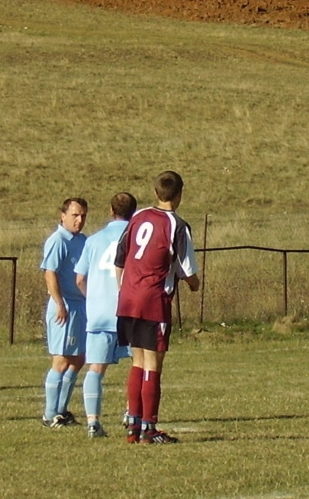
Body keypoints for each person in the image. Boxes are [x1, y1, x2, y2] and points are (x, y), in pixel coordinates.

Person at [115, 171, 200, 444]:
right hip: (153, 301)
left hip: (128, 298)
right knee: (153, 363)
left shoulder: (137, 217)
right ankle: (149, 429)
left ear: (155, 193)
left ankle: (133, 426)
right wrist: (195, 284)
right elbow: (189, 272)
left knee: (137, 360)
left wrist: (124, 290)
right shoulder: (177, 225)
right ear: (180, 194)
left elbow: (120, 258)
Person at [75, 192, 137, 439]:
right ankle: (131, 413)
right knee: (138, 364)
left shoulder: (94, 240)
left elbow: (79, 278)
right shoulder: (135, 237)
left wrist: (93, 297)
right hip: (129, 311)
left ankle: (93, 421)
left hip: (100, 313)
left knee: (95, 369)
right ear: (134, 212)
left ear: (111, 211)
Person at [40, 198, 89, 428]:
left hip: (81, 306)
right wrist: (59, 303)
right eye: (75, 215)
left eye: (83, 216)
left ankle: (61, 410)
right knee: (60, 360)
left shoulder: (83, 241)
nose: (79, 220)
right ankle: (50, 415)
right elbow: (50, 273)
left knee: (78, 359)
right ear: (63, 215)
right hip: (65, 307)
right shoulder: (58, 240)